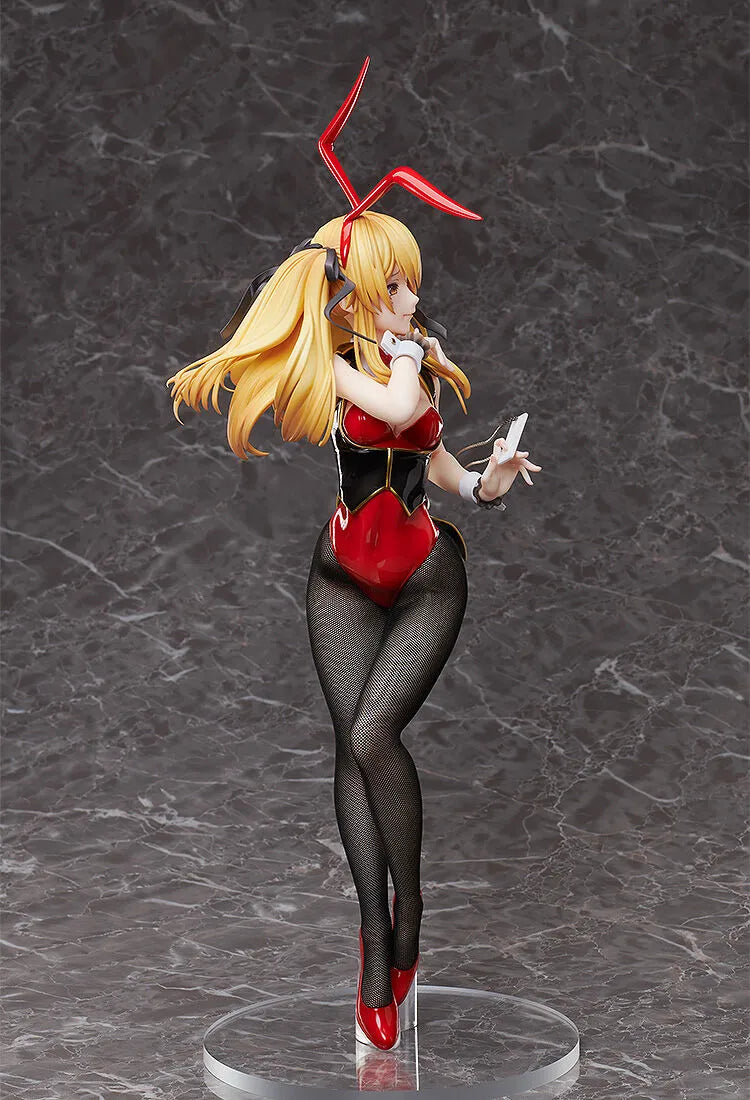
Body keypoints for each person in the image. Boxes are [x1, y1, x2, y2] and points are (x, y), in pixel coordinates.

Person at [166, 59, 541, 1052]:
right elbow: (395, 404)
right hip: (340, 578)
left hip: (424, 578)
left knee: (375, 734)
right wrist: (394, 344)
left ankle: (409, 910)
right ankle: (373, 941)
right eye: (395, 283)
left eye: (412, 281)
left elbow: (450, 474)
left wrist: (498, 475)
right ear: (362, 294)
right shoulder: (341, 367)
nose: (413, 296)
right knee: (349, 745)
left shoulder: (416, 369)